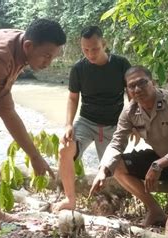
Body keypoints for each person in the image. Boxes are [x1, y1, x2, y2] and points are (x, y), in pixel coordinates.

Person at [89, 65, 168, 236]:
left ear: (153, 82)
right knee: (117, 166)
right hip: (161, 158)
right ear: (128, 90)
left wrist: (159, 164)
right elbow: (117, 142)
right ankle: (155, 211)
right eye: (132, 86)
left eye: (142, 83)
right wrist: (103, 170)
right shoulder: (130, 111)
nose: (137, 89)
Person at [0, 19, 66, 230]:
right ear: (28, 46)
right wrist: (35, 156)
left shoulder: (23, 46)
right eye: (47, 56)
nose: (48, 63)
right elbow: (7, 108)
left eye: (52, 57)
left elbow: (3, 91)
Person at [52, 26, 131, 212]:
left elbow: (133, 97)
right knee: (65, 149)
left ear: (104, 44)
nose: (90, 54)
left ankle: (113, 199)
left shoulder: (121, 64)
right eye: (85, 50)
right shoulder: (79, 69)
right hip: (87, 121)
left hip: (115, 124)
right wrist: (68, 124)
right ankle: (69, 200)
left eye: (94, 49)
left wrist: (134, 123)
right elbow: (73, 98)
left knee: (114, 168)